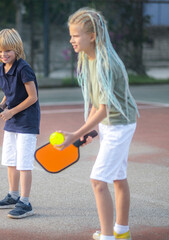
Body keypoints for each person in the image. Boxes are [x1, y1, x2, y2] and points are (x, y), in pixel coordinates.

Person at [55, 8, 139, 240]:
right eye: (70, 35)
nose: (71, 40)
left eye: (76, 35)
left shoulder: (105, 63)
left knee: (98, 181)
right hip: (114, 123)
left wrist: (73, 135)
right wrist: (88, 130)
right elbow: (95, 104)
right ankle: (121, 232)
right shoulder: (89, 59)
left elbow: (104, 109)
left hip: (119, 124)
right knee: (118, 178)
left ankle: (107, 236)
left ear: (92, 36)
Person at [0, 28, 40, 219]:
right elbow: (10, 92)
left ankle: (25, 202)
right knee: (11, 160)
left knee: (24, 163)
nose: (4, 54)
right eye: (0, 51)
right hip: (12, 121)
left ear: (17, 49)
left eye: (8, 50)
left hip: (27, 121)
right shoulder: (0, 70)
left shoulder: (24, 68)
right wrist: (1, 105)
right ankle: (13, 195)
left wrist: (11, 111)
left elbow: (32, 97)